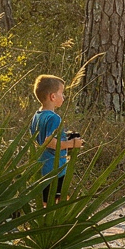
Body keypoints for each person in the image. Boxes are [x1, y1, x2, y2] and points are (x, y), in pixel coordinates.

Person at [29, 74, 83, 202]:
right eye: (61, 93)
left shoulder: (37, 116)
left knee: (45, 199)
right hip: (54, 168)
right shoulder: (54, 118)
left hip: (40, 167)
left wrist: (66, 137)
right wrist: (72, 143)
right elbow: (50, 141)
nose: (63, 97)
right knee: (57, 198)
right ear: (53, 96)